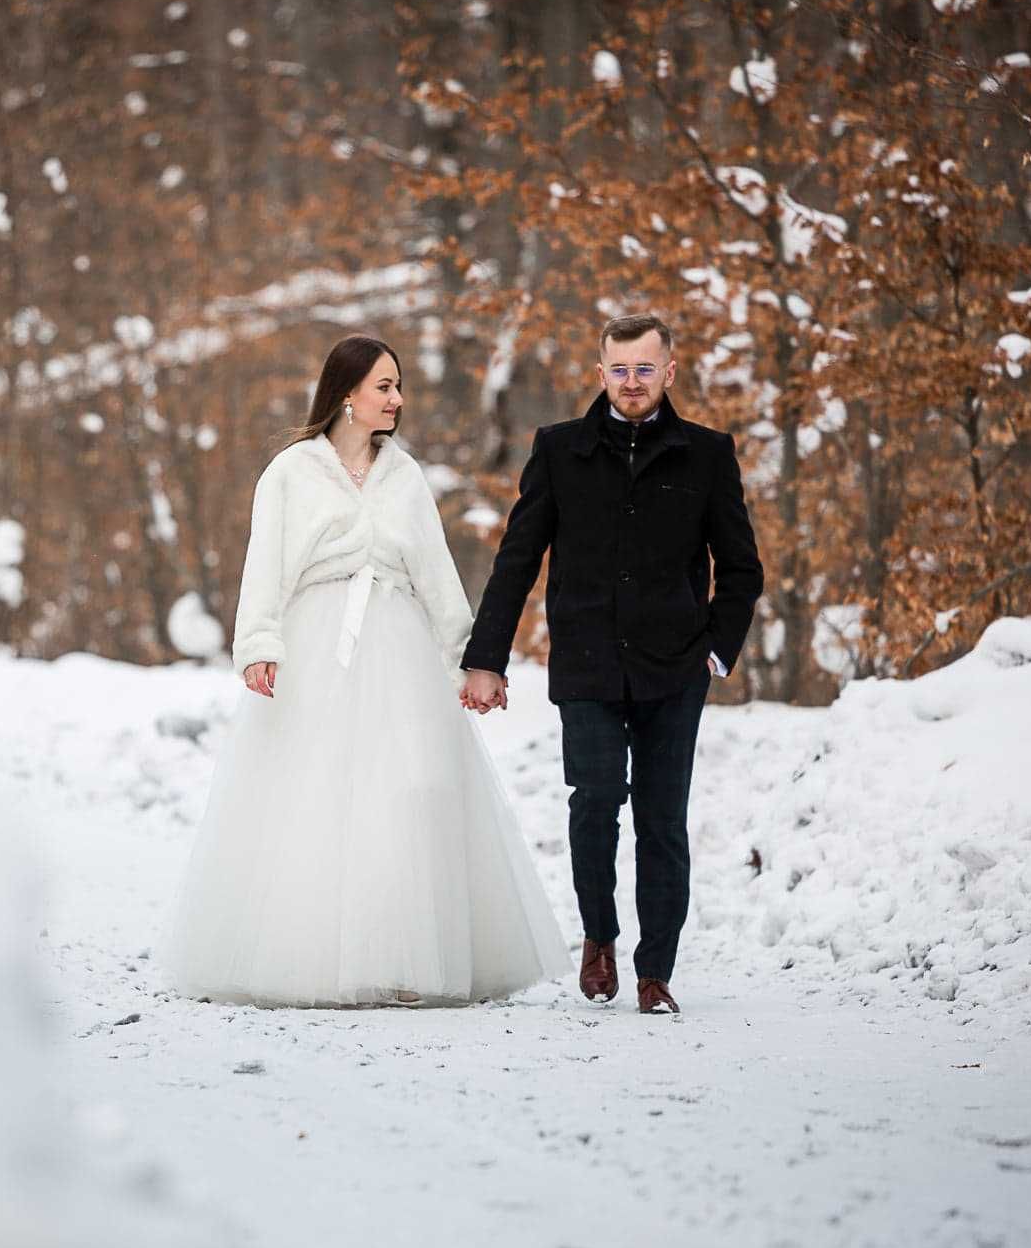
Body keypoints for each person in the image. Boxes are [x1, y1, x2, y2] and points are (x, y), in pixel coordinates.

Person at [161, 335, 570, 1008]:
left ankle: (407, 957)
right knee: (315, 792)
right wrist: (259, 642)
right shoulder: (290, 473)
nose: (397, 399)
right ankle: (308, 957)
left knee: (407, 790)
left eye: (399, 386)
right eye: (385, 386)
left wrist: (472, 661)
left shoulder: (403, 475)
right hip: (316, 640)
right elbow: (264, 566)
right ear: (347, 392)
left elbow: (436, 574)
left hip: (397, 642)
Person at [459, 314, 763, 1015]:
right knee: (595, 799)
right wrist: (486, 659)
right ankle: (599, 934)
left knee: (662, 818)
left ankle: (655, 968)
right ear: (600, 374)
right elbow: (517, 559)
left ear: (669, 372)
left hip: (674, 667)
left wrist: (716, 649)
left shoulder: (708, 455)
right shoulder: (561, 450)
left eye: (644, 370)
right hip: (588, 663)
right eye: (619, 370)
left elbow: (741, 569)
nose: (632, 383)